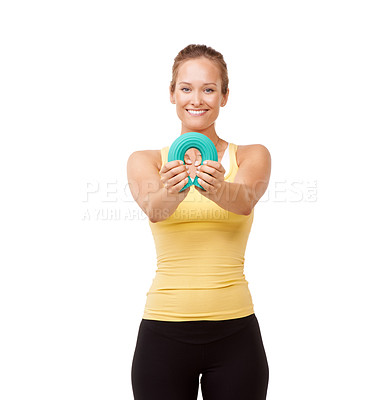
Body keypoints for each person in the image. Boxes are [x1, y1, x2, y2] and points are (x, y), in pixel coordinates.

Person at [127, 44, 272, 400]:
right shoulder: (145, 160)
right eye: (186, 88)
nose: (197, 99)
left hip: (236, 333)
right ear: (173, 93)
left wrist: (214, 185)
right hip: (162, 331)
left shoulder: (251, 155)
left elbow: (244, 201)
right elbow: (155, 209)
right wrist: (177, 187)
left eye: (209, 89)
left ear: (224, 96)